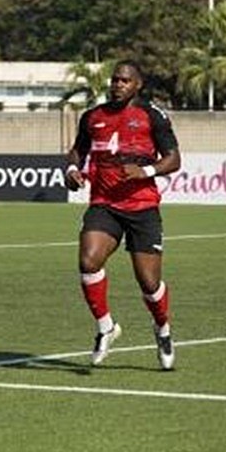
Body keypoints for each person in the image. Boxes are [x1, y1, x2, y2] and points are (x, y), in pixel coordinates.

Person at [64, 60, 181, 370]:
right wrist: (72, 169)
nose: (117, 84)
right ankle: (105, 328)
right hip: (104, 204)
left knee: (149, 283)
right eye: (115, 80)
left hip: (142, 207)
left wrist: (143, 171)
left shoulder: (152, 116)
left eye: (125, 81)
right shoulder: (93, 117)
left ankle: (163, 329)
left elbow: (173, 159)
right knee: (88, 260)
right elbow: (78, 149)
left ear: (137, 85)